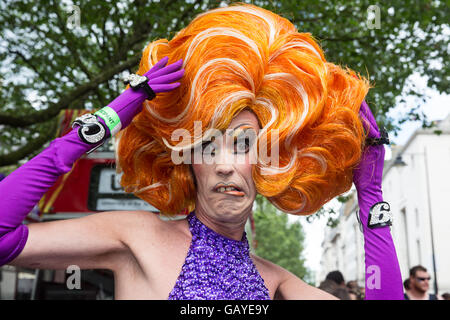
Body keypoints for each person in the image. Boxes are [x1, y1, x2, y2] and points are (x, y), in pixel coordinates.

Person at [0, 3, 403, 299]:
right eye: (207, 145)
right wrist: (102, 122)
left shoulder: (279, 284)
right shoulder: (135, 238)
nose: (226, 166)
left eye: (244, 144)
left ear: (273, 161)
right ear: (186, 162)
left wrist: (371, 199)